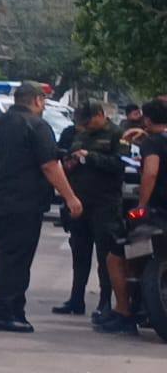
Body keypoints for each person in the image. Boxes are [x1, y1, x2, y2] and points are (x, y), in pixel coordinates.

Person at [0, 82, 84, 333]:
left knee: (5, 259)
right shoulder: (36, 126)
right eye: (43, 101)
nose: (43, 106)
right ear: (36, 100)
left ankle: (13, 310)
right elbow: (49, 165)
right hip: (20, 204)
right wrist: (70, 197)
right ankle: (4, 313)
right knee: (15, 261)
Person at [93, 100, 167, 335]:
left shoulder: (153, 143)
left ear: (146, 119)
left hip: (157, 216)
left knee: (117, 256)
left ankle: (124, 312)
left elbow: (152, 172)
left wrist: (142, 206)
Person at [52, 101, 125, 317]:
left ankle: (105, 302)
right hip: (80, 202)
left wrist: (91, 157)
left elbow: (120, 164)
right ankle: (76, 299)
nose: (84, 125)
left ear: (101, 115)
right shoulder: (80, 134)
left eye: (88, 121)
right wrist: (71, 162)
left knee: (105, 255)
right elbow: (69, 160)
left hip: (105, 203)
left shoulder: (116, 134)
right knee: (79, 252)